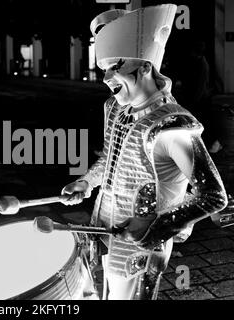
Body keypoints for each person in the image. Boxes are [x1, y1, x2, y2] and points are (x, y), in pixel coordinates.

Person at [61, 4, 228, 300]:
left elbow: (213, 195)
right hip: (101, 227)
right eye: (104, 69)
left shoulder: (172, 124)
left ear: (145, 67)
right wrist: (86, 182)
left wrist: (156, 226)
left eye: (116, 67)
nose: (107, 78)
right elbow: (110, 159)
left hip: (139, 246)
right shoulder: (114, 109)